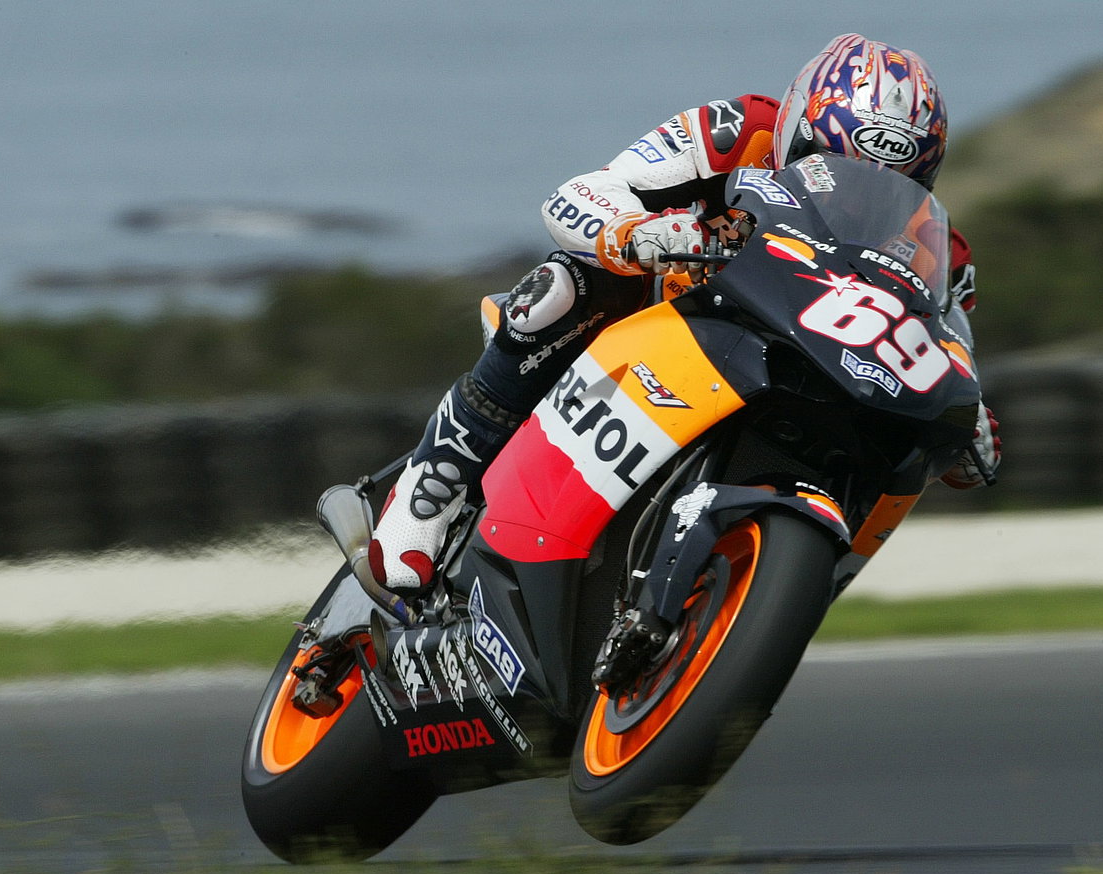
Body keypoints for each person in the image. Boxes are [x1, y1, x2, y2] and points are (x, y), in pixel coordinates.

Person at [369, 32, 1001, 593]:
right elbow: (583, 193)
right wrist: (633, 233)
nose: (853, 196)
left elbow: (951, 345)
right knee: (560, 288)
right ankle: (435, 479)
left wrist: (967, 418)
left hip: (798, 366)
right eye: (830, 164)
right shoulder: (740, 129)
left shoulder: (938, 248)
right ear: (795, 128)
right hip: (664, 319)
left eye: (888, 183)